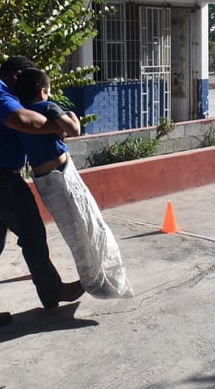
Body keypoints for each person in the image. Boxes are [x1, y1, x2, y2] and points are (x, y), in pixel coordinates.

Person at [0, 56, 84, 331]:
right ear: (16, 76)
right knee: (33, 235)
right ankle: (52, 292)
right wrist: (58, 126)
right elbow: (21, 120)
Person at [15, 68, 133, 299]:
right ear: (42, 92)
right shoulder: (48, 107)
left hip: (43, 181)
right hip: (63, 176)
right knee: (91, 225)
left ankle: (94, 279)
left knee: (75, 234)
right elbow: (74, 130)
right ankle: (103, 280)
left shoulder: (20, 115)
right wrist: (69, 113)